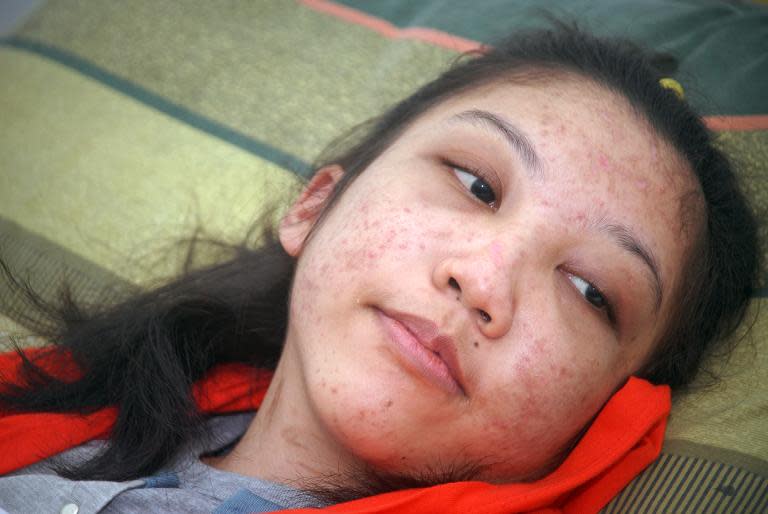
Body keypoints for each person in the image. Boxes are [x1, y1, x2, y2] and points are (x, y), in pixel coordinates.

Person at [0, 23, 760, 514]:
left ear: (607, 415)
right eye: (475, 184)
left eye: (590, 292)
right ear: (315, 206)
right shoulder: (57, 405)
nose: (484, 280)